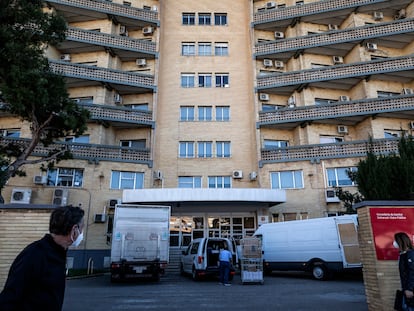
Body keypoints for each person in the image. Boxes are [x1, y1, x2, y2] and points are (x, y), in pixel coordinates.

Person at [0, 204, 85, 311]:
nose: (82, 234)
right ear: (74, 230)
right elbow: (9, 298)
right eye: (82, 228)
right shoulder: (34, 255)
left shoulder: (58, 254)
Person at [394, 232, 414, 311]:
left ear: (400, 241)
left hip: (410, 290)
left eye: (395, 240)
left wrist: (410, 289)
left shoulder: (410, 254)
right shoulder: (403, 254)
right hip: (406, 289)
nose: (394, 243)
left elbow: (412, 273)